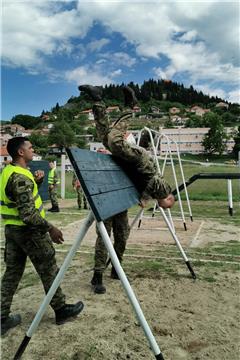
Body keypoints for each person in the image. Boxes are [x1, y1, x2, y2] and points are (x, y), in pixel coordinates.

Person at [0, 137, 84, 336]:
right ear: (21, 152)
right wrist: (51, 228)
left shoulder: (8, 172)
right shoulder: (20, 177)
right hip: (30, 233)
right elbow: (28, 214)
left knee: (11, 274)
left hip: (12, 231)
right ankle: (61, 309)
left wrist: (36, 183)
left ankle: (2, 317)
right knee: (48, 270)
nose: (33, 150)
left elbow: (19, 201)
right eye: (30, 147)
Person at [78, 84, 175, 210]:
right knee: (115, 142)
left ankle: (97, 100)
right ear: (169, 199)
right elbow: (153, 181)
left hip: (134, 163)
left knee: (105, 138)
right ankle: (130, 105)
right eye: (168, 207)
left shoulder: (156, 195)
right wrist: (144, 197)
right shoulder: (165, 191)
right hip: (141, 161)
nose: (165, 208)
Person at [90, 148, 130, 294]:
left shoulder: (117, 167)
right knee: (103, 240)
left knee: (122, 237)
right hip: (104, 207)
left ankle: (116, 269)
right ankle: (98, 275)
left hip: (121, 206)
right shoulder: (94, 171)